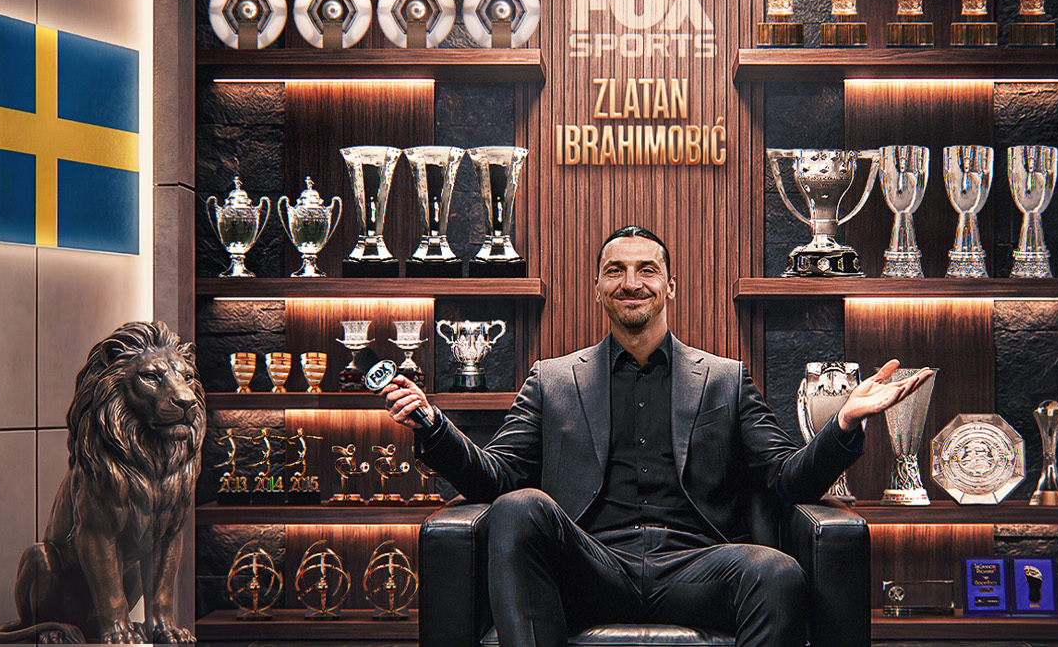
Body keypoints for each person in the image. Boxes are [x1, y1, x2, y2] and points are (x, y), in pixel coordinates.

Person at [381, 226, 933, 647]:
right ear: (598, 288)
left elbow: (787, 479)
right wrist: (434, 426)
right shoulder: (552, 380)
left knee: (777, 572)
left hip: (696, 567)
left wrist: (844, 422)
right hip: (590, 567)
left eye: (647, 270)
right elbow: (497, 477)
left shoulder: (725, 379)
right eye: (615, 271)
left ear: (670, 285)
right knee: (518, 506)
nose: (631, 283)